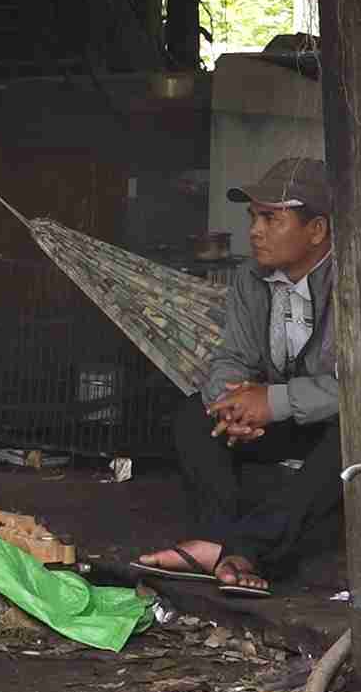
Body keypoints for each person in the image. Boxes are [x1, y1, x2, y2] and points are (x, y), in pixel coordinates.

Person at [135, 157, 340, 595]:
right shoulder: (253, 277)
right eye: (253, 217)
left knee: (354, 439)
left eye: (271, 218)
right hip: (289, 419)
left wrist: (274, 401)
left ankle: (249, 546)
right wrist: (232, 405)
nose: (255, 231)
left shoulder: (357, 282)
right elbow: (234, 356)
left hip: (341, 423)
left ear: (317, 230)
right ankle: (216, 538)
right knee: (196, 414)